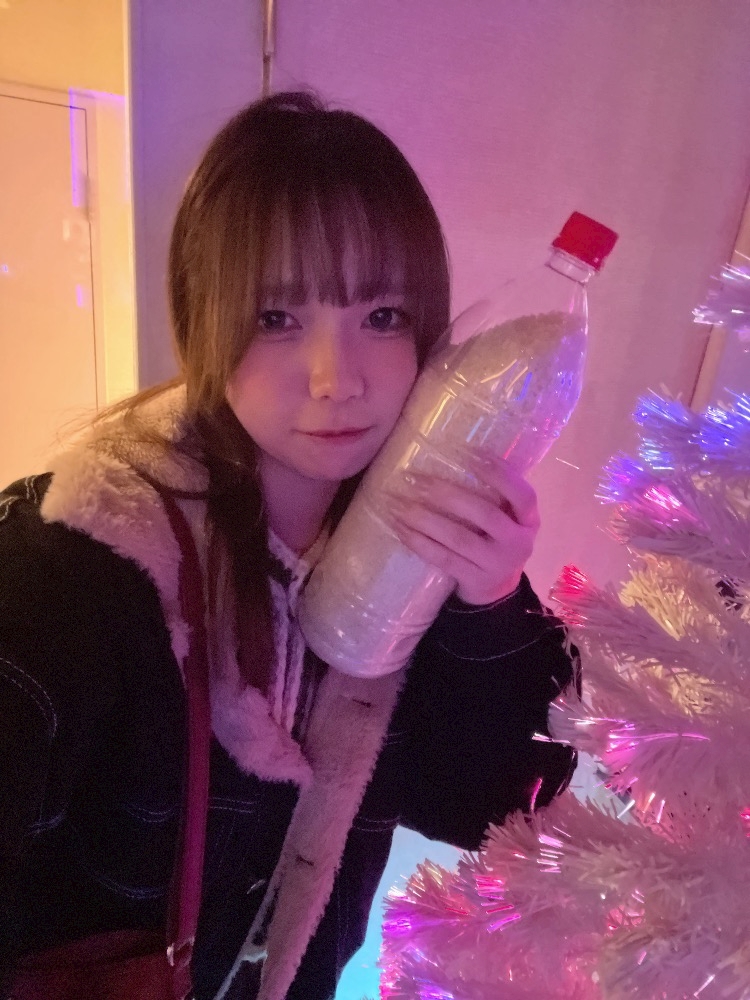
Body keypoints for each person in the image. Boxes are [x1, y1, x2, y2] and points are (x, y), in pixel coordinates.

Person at [0, 91, 578, 1000]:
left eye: (382, 316)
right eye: (276, 319)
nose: (335, 379)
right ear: (204, 321)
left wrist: (492, 603)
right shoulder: (81, 557)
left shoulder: (420, 551)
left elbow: (490, 812)